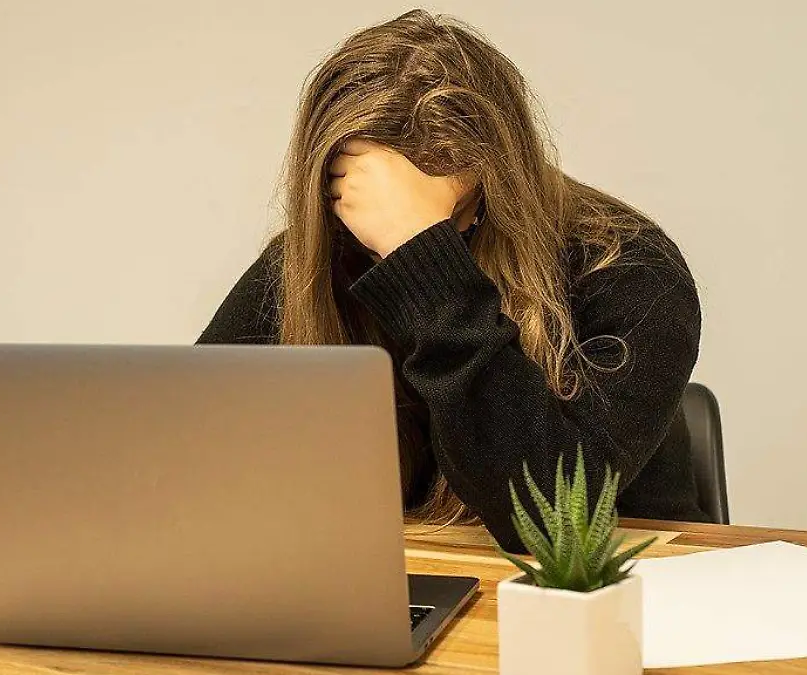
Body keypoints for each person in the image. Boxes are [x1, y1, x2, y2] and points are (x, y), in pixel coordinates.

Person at [198, 9, 706, 552]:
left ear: (493, 178)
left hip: (613, 595)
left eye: (442, 222)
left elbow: (556, 521)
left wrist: (422, 257)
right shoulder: (317, 255)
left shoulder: (628, 267)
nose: (375, 244)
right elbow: (192, 448)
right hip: (413, 580)